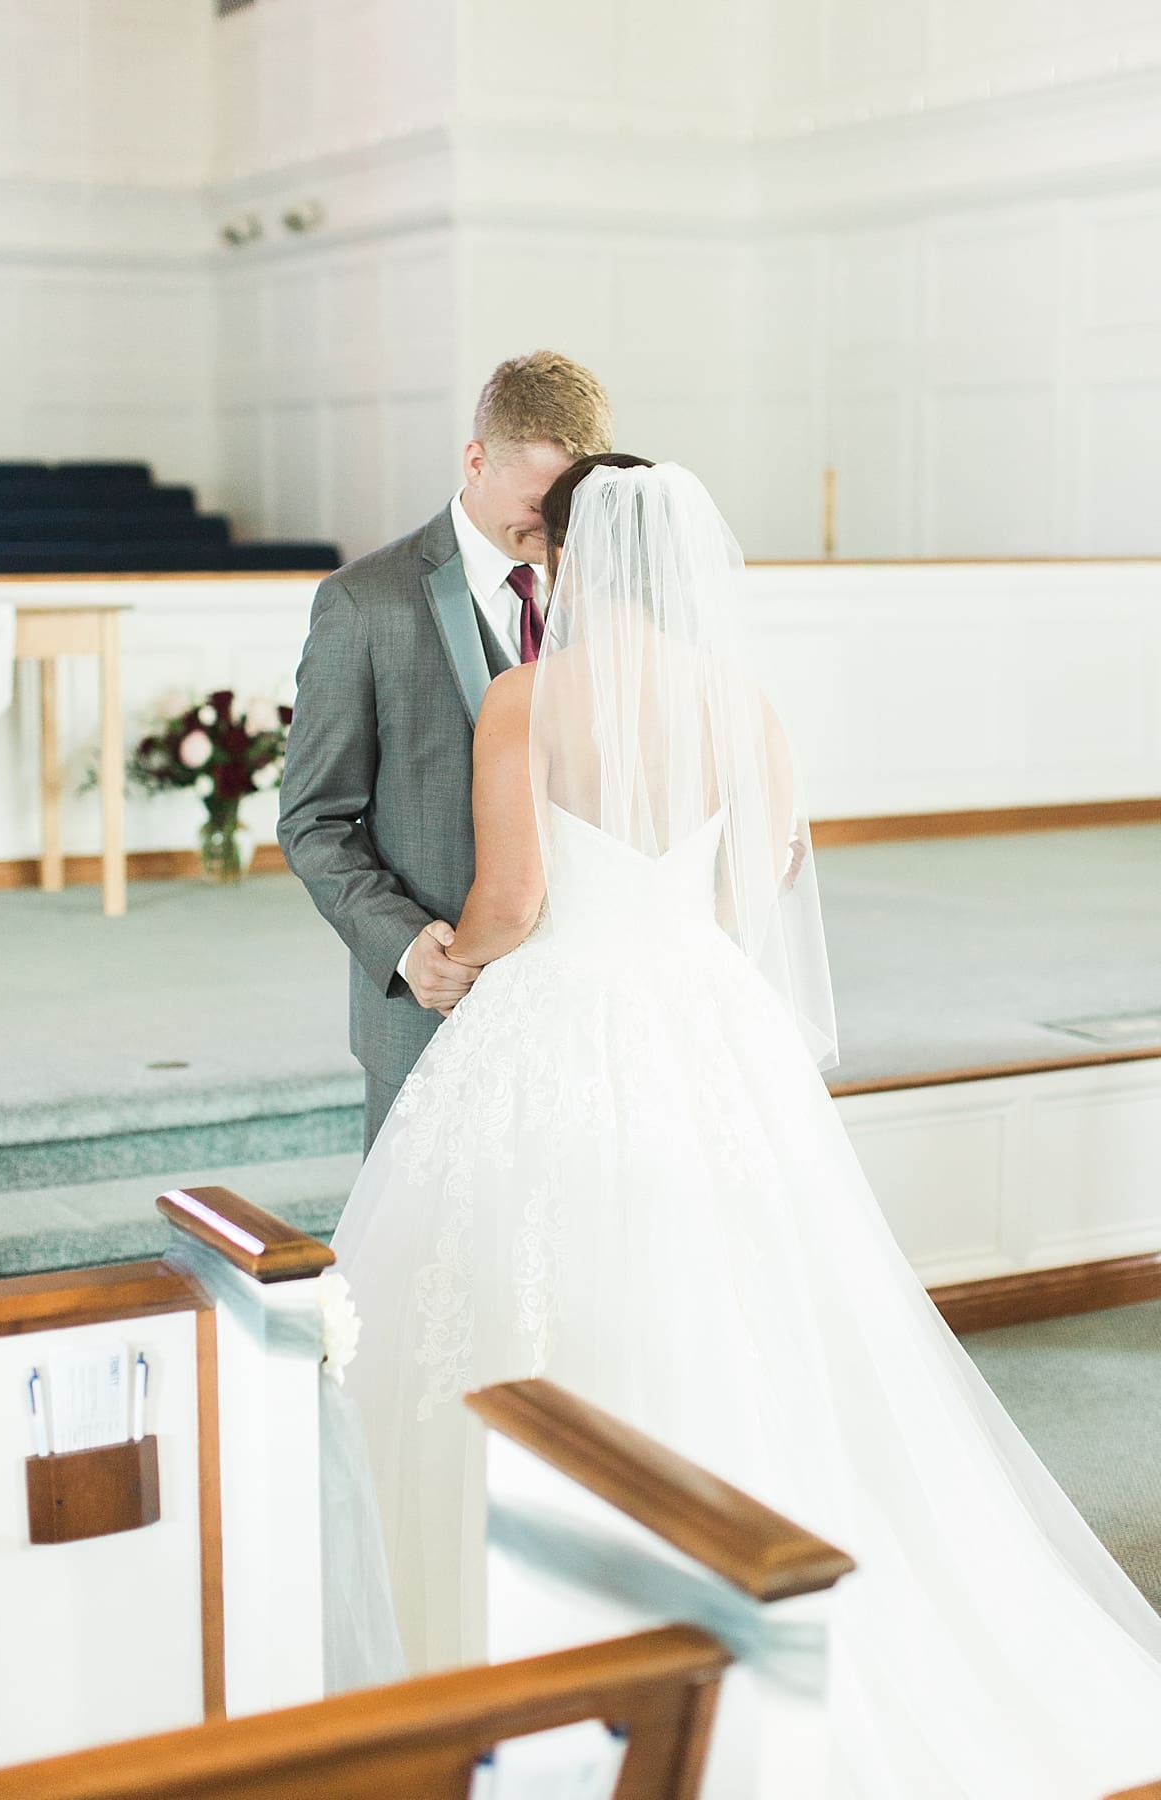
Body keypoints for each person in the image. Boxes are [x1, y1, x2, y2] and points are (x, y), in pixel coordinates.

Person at [328, 458, 1161, 1796]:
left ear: (580, 561)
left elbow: (512, 901)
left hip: (564, 1006)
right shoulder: (743, 702)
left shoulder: (528, 697)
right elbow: (756, 879)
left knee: (506, 1294)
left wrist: (447, 961)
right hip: (706, 1015)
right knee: (742, 1295)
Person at [278, 351, 614, 1149]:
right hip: (438, 1008)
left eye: (574, 504)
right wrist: (401, 945)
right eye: (538, 502)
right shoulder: (365, 603)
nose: (554, 528)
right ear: (475, 460)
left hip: (586, 1014)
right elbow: (312, 819)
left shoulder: (617, 596)